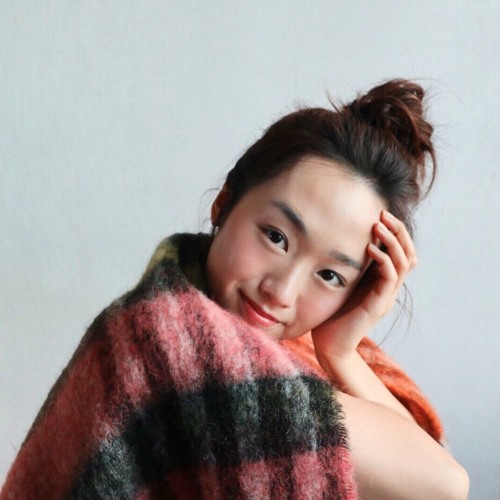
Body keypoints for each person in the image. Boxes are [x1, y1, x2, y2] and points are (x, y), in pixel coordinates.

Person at [1, 79, 469, 499]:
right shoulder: (169, 342)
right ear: (224, 203)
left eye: (330, 276)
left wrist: (341, 352)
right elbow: (442, 484)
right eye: (276, 237)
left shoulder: (305, 350)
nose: (281, 291)